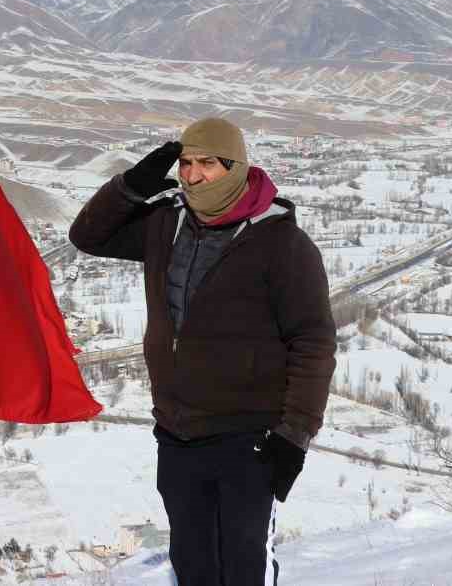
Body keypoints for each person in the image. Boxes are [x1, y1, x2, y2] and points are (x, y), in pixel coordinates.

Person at [69, 116, 336, 586]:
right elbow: (87, 237)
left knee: (244, 568)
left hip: (249, 439)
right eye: (186, 163)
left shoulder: (282, 244)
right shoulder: (167, 223)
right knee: (192, 567)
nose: (192, 175)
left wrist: (293, 436)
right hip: (177, 434)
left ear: (234, 167)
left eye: (206, 164)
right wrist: (132, 185)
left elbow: (313, 343)